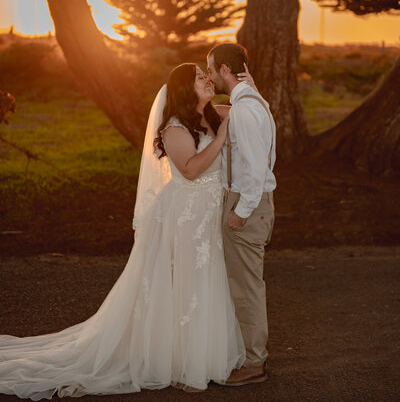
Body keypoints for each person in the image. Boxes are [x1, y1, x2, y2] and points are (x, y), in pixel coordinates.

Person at [0, 63, 252, 399]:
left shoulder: (215, 113)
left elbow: (248, 108)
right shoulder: (175, 127)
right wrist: (221, 139)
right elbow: (190, 170)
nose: (208, 81)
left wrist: (249, 85)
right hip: (184, 216)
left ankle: (199, 354)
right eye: (200, 78)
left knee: (204, 279)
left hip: (207, 215)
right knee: (183, 282)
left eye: (207, 77)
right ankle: (173, 359)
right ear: (183, 89)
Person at [207, 43, 276, 386]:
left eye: (211, 69)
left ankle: (254, 363)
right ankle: (250, 355)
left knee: (246, 287)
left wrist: (241, 211)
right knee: (243, 283)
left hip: (248, 203)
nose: (209, 76)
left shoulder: (246, 110)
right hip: (249, 200)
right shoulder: (249, 102)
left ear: (224, 69)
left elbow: (254, 166)